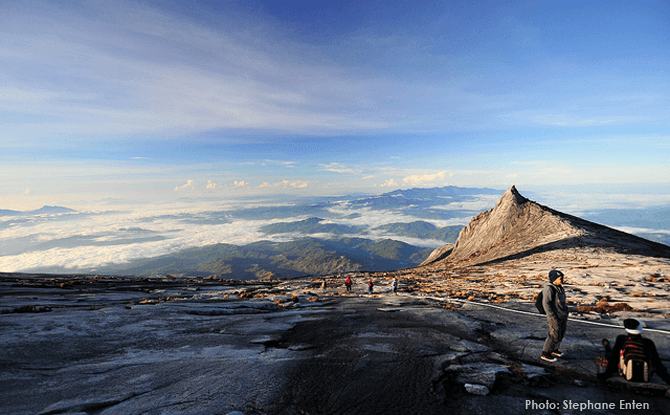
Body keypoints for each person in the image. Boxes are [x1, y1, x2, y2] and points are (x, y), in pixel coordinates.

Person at [597, 318, 670, 385]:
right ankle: (607, 347)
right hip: (645, 377)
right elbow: (657, 364)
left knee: (611, 354)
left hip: (626, 373)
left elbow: (614, 359)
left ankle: (607, 347)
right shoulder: (648, 342)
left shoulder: (621, 339)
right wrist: (668, 380)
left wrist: (607, 374)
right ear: (640, 329)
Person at [540, 269, 568, 363]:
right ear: (554, 279)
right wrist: (552, 316)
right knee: (553, 334)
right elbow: (546, 304)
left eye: (562, 278)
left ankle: (554, 350)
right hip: (554, 316)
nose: (562, 280)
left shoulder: (560, 287)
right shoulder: (549, 289)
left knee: (560, 333)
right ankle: (545, 353)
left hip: (562, 315)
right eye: (560, 278)